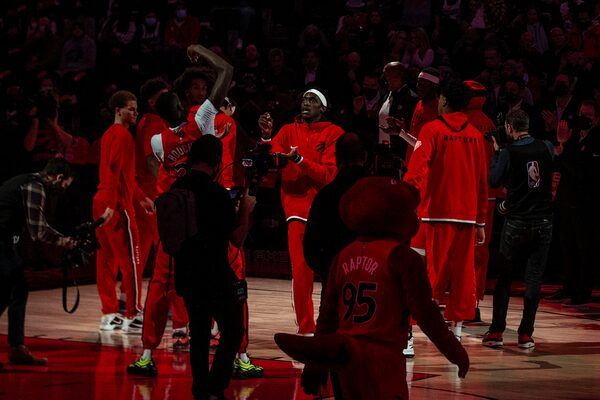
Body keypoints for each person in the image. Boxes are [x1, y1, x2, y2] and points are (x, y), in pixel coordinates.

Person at [275, 177, 469, 399]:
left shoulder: (343, 255)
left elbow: (327, 318)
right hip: (383, 360)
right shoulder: (402, 257)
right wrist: (454, 351)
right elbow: (426, 314)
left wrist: (315, 364)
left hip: (346, 361)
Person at [128, 43, 233, 376]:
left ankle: (148, 353)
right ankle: (222, 338)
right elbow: (227, 71)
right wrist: (200, 50)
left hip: (174, 217)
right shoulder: (201, 120)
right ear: (182, 104)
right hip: (201, 213)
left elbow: (159, 174)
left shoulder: (158, 141)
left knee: (161, 284)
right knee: (215, 275)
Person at [403, 78, 489, 341]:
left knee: (422, 276)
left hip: (433, 216)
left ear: (443, 100)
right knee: (462, 275)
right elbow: (482, 182)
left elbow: (416, 171)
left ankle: (407, 333)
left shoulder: (431, 130)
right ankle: (456, 331)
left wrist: (404, 201)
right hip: (466, 218)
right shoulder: (476, 135)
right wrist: (480, 222)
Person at [173, 134, 256, 400]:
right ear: (217, 161)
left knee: (199, 334)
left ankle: (200, 389)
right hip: (215, 275)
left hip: (186, 273)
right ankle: (215, 386)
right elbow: (237, 238)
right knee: (233, 330)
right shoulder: (215, 193)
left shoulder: (177, 187)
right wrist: (245, 209)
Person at [258, 88, 344, 335]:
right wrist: (266, 138)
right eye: (304, 98)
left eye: (313, 100)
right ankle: (306, 328)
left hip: (326, 212)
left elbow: (329, 175)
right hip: (296, 210)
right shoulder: (287, 130)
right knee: (301, 273)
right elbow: (272, 159)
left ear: (323, 108)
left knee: (332, 273)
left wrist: (299, 161)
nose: (306, 102)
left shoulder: (334, 133)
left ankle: (332, 325)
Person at [482, 110, 554, 349]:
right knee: (534, 279)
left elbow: (493, 181)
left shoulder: (508, 152)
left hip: (516, 222)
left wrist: (497, 152)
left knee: (504, 278)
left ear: (510, 128)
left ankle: (496, 332)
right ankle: (525, 335)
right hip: (543, 222)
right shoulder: (546, 147)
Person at [302, 131, 367, 398]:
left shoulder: (325, 196)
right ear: (365, 158)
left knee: (340, 365)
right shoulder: (379, 193)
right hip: (377, 300)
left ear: (337, 160)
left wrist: (330, 270)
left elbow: (310, 248)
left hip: (336, 286)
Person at [0, 158, 77, 368]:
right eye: (64, 185)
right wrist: (64, 241)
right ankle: (16, 348)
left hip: (6, 241)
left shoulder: (28, 181)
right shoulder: (35, 186)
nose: (62, 191)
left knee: (13, 290)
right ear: (58, 177)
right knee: (14, 288)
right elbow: (39, 230)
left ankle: (17, 348)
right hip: (2, 240)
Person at [93, 90, 156, 333]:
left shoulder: (109, 134)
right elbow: (115, 171)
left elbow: (123, 177)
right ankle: (133, 314)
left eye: (136, 108)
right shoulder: (122, 135)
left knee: (106, 261)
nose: (135, 112)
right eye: (131, 108)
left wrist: (141, 199)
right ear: (118, 110)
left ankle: (109, 314)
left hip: (102, 202)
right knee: (132, 261)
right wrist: (113, 205)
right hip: (117, 206)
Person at [546, 100, 600, 307]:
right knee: (567, 246)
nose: (583, 117)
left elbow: (583, 172)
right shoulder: (575, 136)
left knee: (584, 249)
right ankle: (568, 287)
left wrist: (563, 151)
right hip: (567, 200)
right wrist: (562, 145)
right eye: (581, 113)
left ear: (597, 119)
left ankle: (582, 292)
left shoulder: (597, 140)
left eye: (588, 115)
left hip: (586, 203)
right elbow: (562, 165)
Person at [464, 80, 500, 322]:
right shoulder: (490, 124)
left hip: (464, 195)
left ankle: (456, 300)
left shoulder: (458, 123)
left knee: (459, 250)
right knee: (480, 251)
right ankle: (473, 302)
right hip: (488, 196)